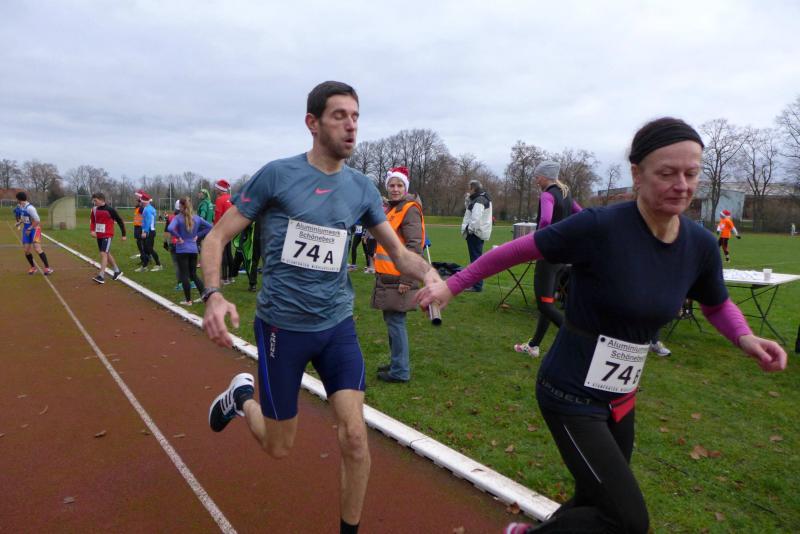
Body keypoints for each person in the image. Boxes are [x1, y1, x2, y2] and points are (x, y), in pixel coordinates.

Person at [417, 117, 787, 534]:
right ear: (637, 174)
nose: (681, 185)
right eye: (667, 173)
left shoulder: (699, 245)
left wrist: (745, 337)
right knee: (627, 520)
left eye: (691, 173)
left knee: (596, 500)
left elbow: (717, 304)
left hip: (621, 396)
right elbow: (517, 250)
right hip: (569, 392)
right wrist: (453, 285)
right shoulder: (600, 226)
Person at [201, 81, 441, 534]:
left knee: (355, 437)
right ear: (312, 123)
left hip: (336, 326)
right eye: (339, 116)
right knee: (278, 446)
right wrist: (213, 294)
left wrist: (429, 274)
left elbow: (399, 252)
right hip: (281, 328)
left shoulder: (361, 189)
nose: (351, 126)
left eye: (356, 117)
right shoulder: (276, 176)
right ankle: (241, 398)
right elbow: (216, 237)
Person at [513, 161, 581, 358]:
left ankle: (578, 340)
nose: (536, 181)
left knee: (544, 305)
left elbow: (545, 220)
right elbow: (581, 214)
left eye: (537, 177)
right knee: (548, 302)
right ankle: (534, 346)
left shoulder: (547, 195)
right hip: (563, 258)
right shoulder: (567, 195)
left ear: (545, 176)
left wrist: (540, 240)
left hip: (548, 257)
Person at [371, 166, 425, 383]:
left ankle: (400, 370)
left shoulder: (409, 209)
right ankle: (397, 363)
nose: (395, 189)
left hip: (398, 278)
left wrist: (407, 278)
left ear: (406, 188)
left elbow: (414, 245)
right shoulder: (393, 209)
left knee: (396, 323)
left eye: (399, 185)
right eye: (392, 185)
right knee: (392, 321)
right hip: (387, 277)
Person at [168, 197, 212, 305]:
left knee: (184, 275)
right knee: (193, 275)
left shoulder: (178, 218)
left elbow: (170, 228)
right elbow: (210, 227)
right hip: (193, 249)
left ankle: (188, 300)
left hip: (182, 249)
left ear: (181, 207)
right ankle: (204, 297)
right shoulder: (196, 218)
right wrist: (198, 235)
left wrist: (178, 237)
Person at [460, 179, 493, 292]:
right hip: (478, 232)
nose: (468, 190)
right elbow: (471, 210)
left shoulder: (479, 200)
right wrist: (468, 200)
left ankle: (477, 285)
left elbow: (475, 217)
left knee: (475, 260)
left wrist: (470, 230)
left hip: (475, 233)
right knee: (476, 259)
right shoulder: (481, 198)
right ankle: (476, 284)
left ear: (473, 188)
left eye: (469, 188)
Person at [89, 192, 126, 284]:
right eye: (93, 201)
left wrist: (123, 235)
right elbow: (92, 221)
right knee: (106, 253)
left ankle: (101, 276)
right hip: (99, 235)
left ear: (101, 200)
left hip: (108, 234)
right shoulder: (94, 209)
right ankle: (117, 271)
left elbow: (120, 221)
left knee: (103, 253)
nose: (94, 202)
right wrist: (92, 230)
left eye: (95, 200)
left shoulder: (110, 210)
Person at [14, 192, 54, 275]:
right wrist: (19, 222)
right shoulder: (21, 207)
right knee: (26, 250)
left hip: (35, 229)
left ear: (19, 199)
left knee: (37, 248)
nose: (16, 200)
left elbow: (37, 220)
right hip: (26, 229)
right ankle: (33, 267)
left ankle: (47, 268)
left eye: (17, 199)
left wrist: (30, 228)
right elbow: (24, 218)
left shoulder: (30, 208)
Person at [213, 179, 234, 284]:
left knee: (223, 253)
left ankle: (224, 278)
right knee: (229, 252)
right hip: (231, 228)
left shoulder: (219, 199)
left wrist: (215, 229)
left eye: (217, 188)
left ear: (220, 189)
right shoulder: (231, 198)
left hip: (222, 229)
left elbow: (218, 216)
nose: (215, 189)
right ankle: (231, 276)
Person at [136, 193, 163, 272]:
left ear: (144, 202)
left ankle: (158, 265)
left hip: (149, 232)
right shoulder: (151, 208)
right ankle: (145, 266)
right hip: (151, 231)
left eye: (142, 201)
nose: (141, 203)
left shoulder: (147, 209)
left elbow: (148, 221)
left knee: (150, 249)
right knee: (146, 250)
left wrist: (145, 231)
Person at [131, 190, 146, 262]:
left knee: (141, 244)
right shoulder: (138, 207)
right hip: (137, 226)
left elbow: (145, 218)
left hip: (140, 227)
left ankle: (145, 259)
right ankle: (144, 258)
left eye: (137, 195)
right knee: (140, 243)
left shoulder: (141, 207)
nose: (136, 197)